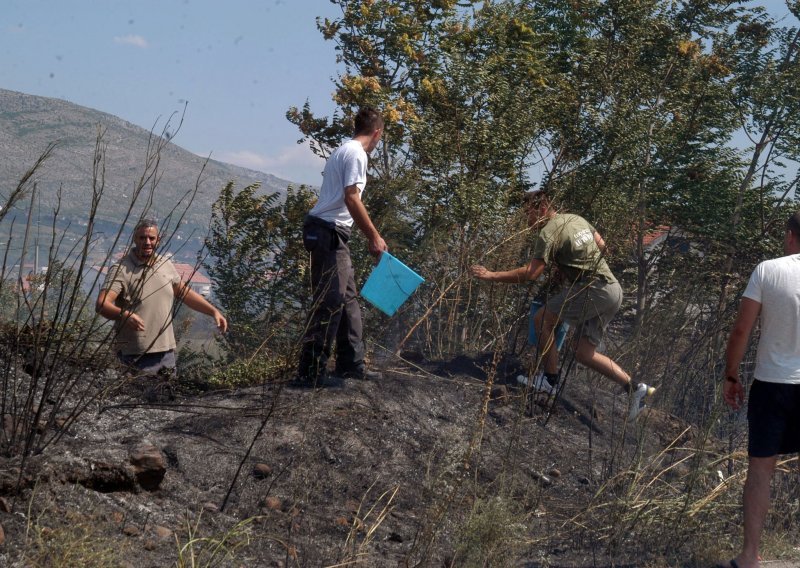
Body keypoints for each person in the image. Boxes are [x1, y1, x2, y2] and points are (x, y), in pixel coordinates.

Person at [470, 189, 654, 420]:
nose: (528, 221)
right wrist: (570, 264)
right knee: (584, 353)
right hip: (613, 290)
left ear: (543, 209)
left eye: (529, 214)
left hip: (594, 289)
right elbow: (603, 247)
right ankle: (635, 388)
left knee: (542, 319)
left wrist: (491, 275)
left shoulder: (547, 233)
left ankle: (549, 381)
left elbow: (531, 273)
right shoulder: (576, 219)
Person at [719, 212, 800, 568]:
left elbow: (741, 331)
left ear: (791, 235)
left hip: (773, 385)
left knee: (761, 470)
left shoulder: (768, 270)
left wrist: (731, 375)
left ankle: (750, 555)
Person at [296, 107, 388, 387]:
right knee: (331, 301)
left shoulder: (342, 150)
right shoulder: (357, 154)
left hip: (332, 232)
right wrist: (374, 236)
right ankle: (310, 373)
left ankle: (350, 365)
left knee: (347, 298)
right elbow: (351, 197)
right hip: (327, 232)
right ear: (377, 133)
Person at [96, 219, 228, 375]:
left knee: (164, 398)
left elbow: (183, 292)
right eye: (142, 238)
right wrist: (125, 315)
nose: (147, 242)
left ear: (158, 240)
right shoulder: (121, 269)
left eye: (151, 238)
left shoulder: (164, 264)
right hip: (134, 354)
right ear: (134, 239)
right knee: (136, 398)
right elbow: (102, 304)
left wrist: (213, 312)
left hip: (166, 353)